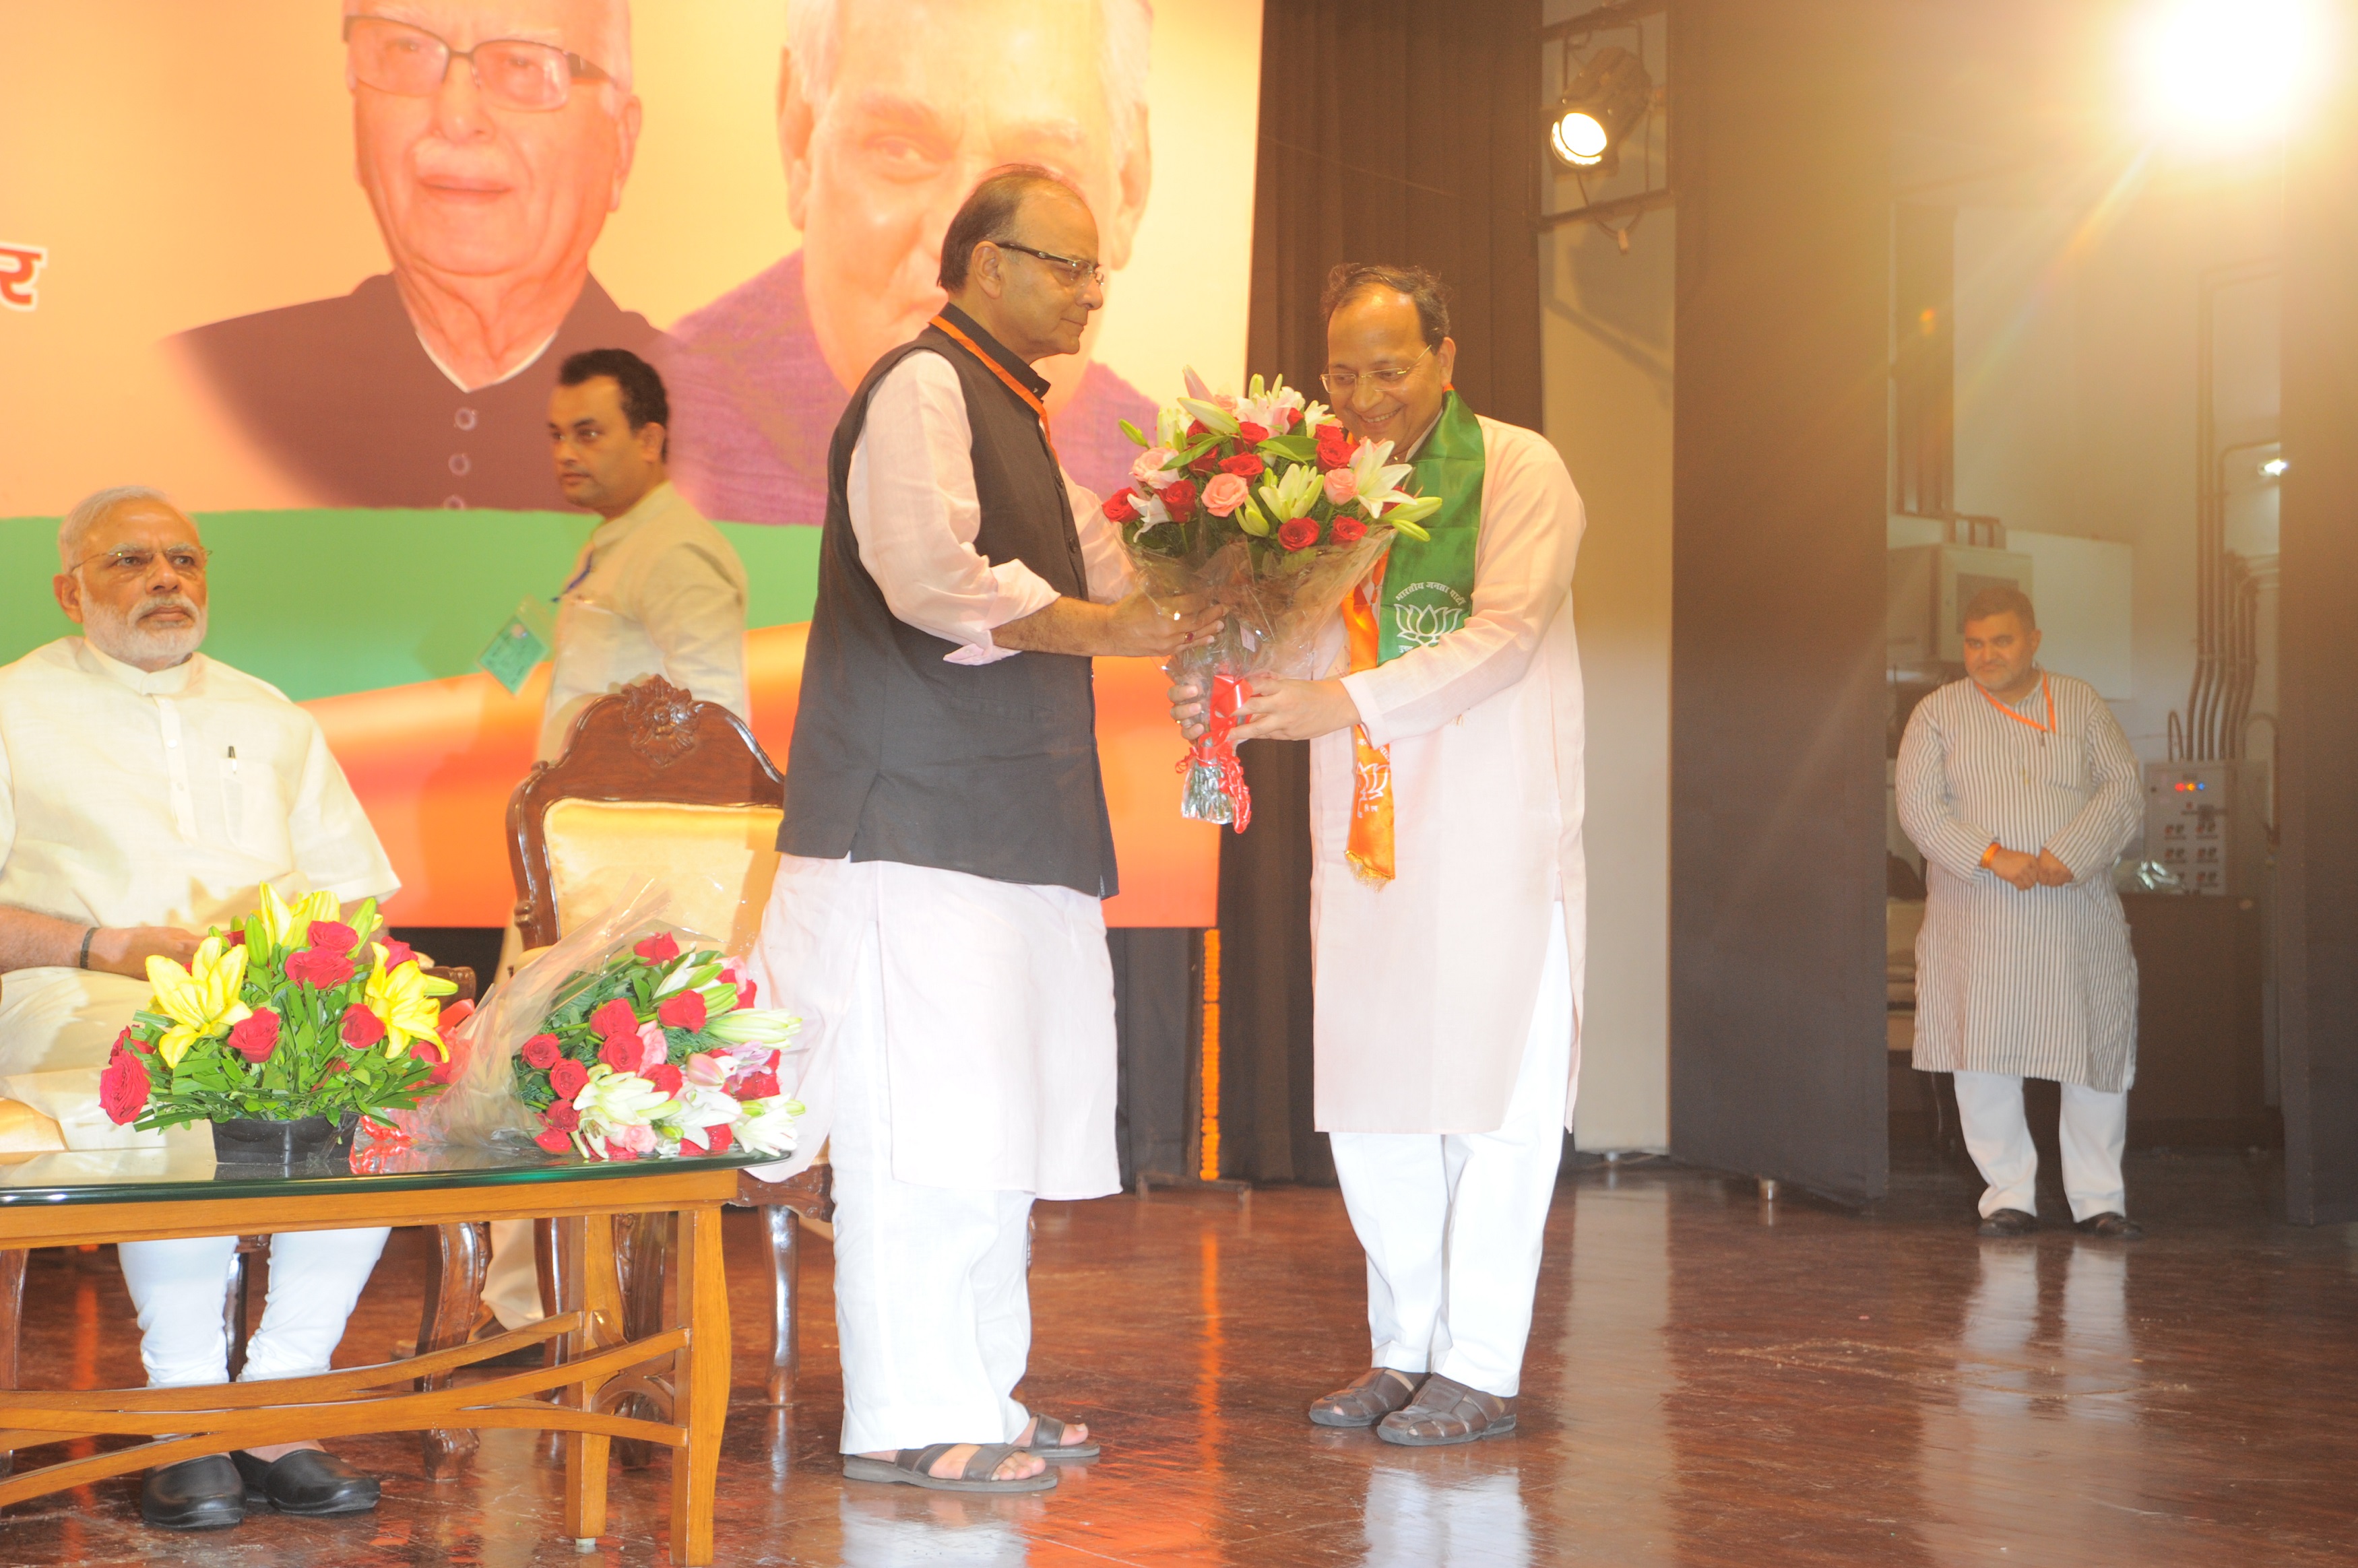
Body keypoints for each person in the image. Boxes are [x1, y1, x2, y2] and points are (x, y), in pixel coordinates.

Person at [746, 167, 1214, 1493]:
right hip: (917, 825)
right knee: (923, 1131)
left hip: (1011, 820)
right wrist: (1109, 627)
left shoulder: (1017, 414)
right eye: (1066, 265)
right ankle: (904, 1414)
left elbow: (1102, 570)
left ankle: (980, 1395)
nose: (1087, 290)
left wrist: (1238, 550)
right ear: (984, 265)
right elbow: (930, 575)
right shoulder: (920, 386)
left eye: (1096, 271)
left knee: (994, 1126)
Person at [1171, 264, 1587, 1447]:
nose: (1363, 398)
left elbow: (1507, 635)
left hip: (1497, 835)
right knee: (1375, 1099)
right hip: (1363, 845)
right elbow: (1276, 645)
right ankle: (1405, 1349)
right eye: (1342, 375)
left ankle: (1482, 1362)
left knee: (1495, 1105)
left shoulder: (1519, 469)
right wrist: (1218, 673)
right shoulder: (1319, 503)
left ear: (1447, 359)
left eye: (1390, 371)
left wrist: (1338, 700)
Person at [0, 488, 400, 1529]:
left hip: (267, 997)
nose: (165, 579)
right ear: (68, 590)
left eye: (184, 558)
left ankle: (278, 1401)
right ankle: (183, 1413)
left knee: (381, 1088)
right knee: (168, 1075)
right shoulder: (12, 706)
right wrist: (107, 945)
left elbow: (352, 893)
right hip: (82, 990)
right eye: (130, 561)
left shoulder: (271, 717)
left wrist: (322, 987)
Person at [467, 348, 753, 1350]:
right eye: (554, 434)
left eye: (588, 432)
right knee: (520, 1092)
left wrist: (640, 911)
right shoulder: (621, 543)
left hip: (621, 896)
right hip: (570, 876)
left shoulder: (674, 552)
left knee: (551, 1099)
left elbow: (718, 733)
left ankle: (551, 1324)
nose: (565, 453)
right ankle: (527, 1320)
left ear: (651, 439)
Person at [660, 0, 1157, 524]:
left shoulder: (1164, 479)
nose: (959, 243)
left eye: (1037, 176)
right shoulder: (673, 419)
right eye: (900, 149)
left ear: (1130, 186)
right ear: (799, 137)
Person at [172, 0, 660, 509]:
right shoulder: (210, 394)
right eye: (408, 49)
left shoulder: (717, 429)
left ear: (620, 147)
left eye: (522, 64)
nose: (454, 116)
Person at [1897, 587, 2144, 1239]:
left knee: (2090, 1051)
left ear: (2031, 639)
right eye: (1973, 643)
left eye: (2000, 641)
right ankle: (2007, 1195)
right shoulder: (1935, 712)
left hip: (2074, 912)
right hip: (1975, 914)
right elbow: (1918, 810)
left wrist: (2072, 852)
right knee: (1981, 1052)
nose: (1985, 655)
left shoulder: (2080, 702)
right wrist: (1989, 855)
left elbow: (2122, 786)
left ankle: (2098, 1201)